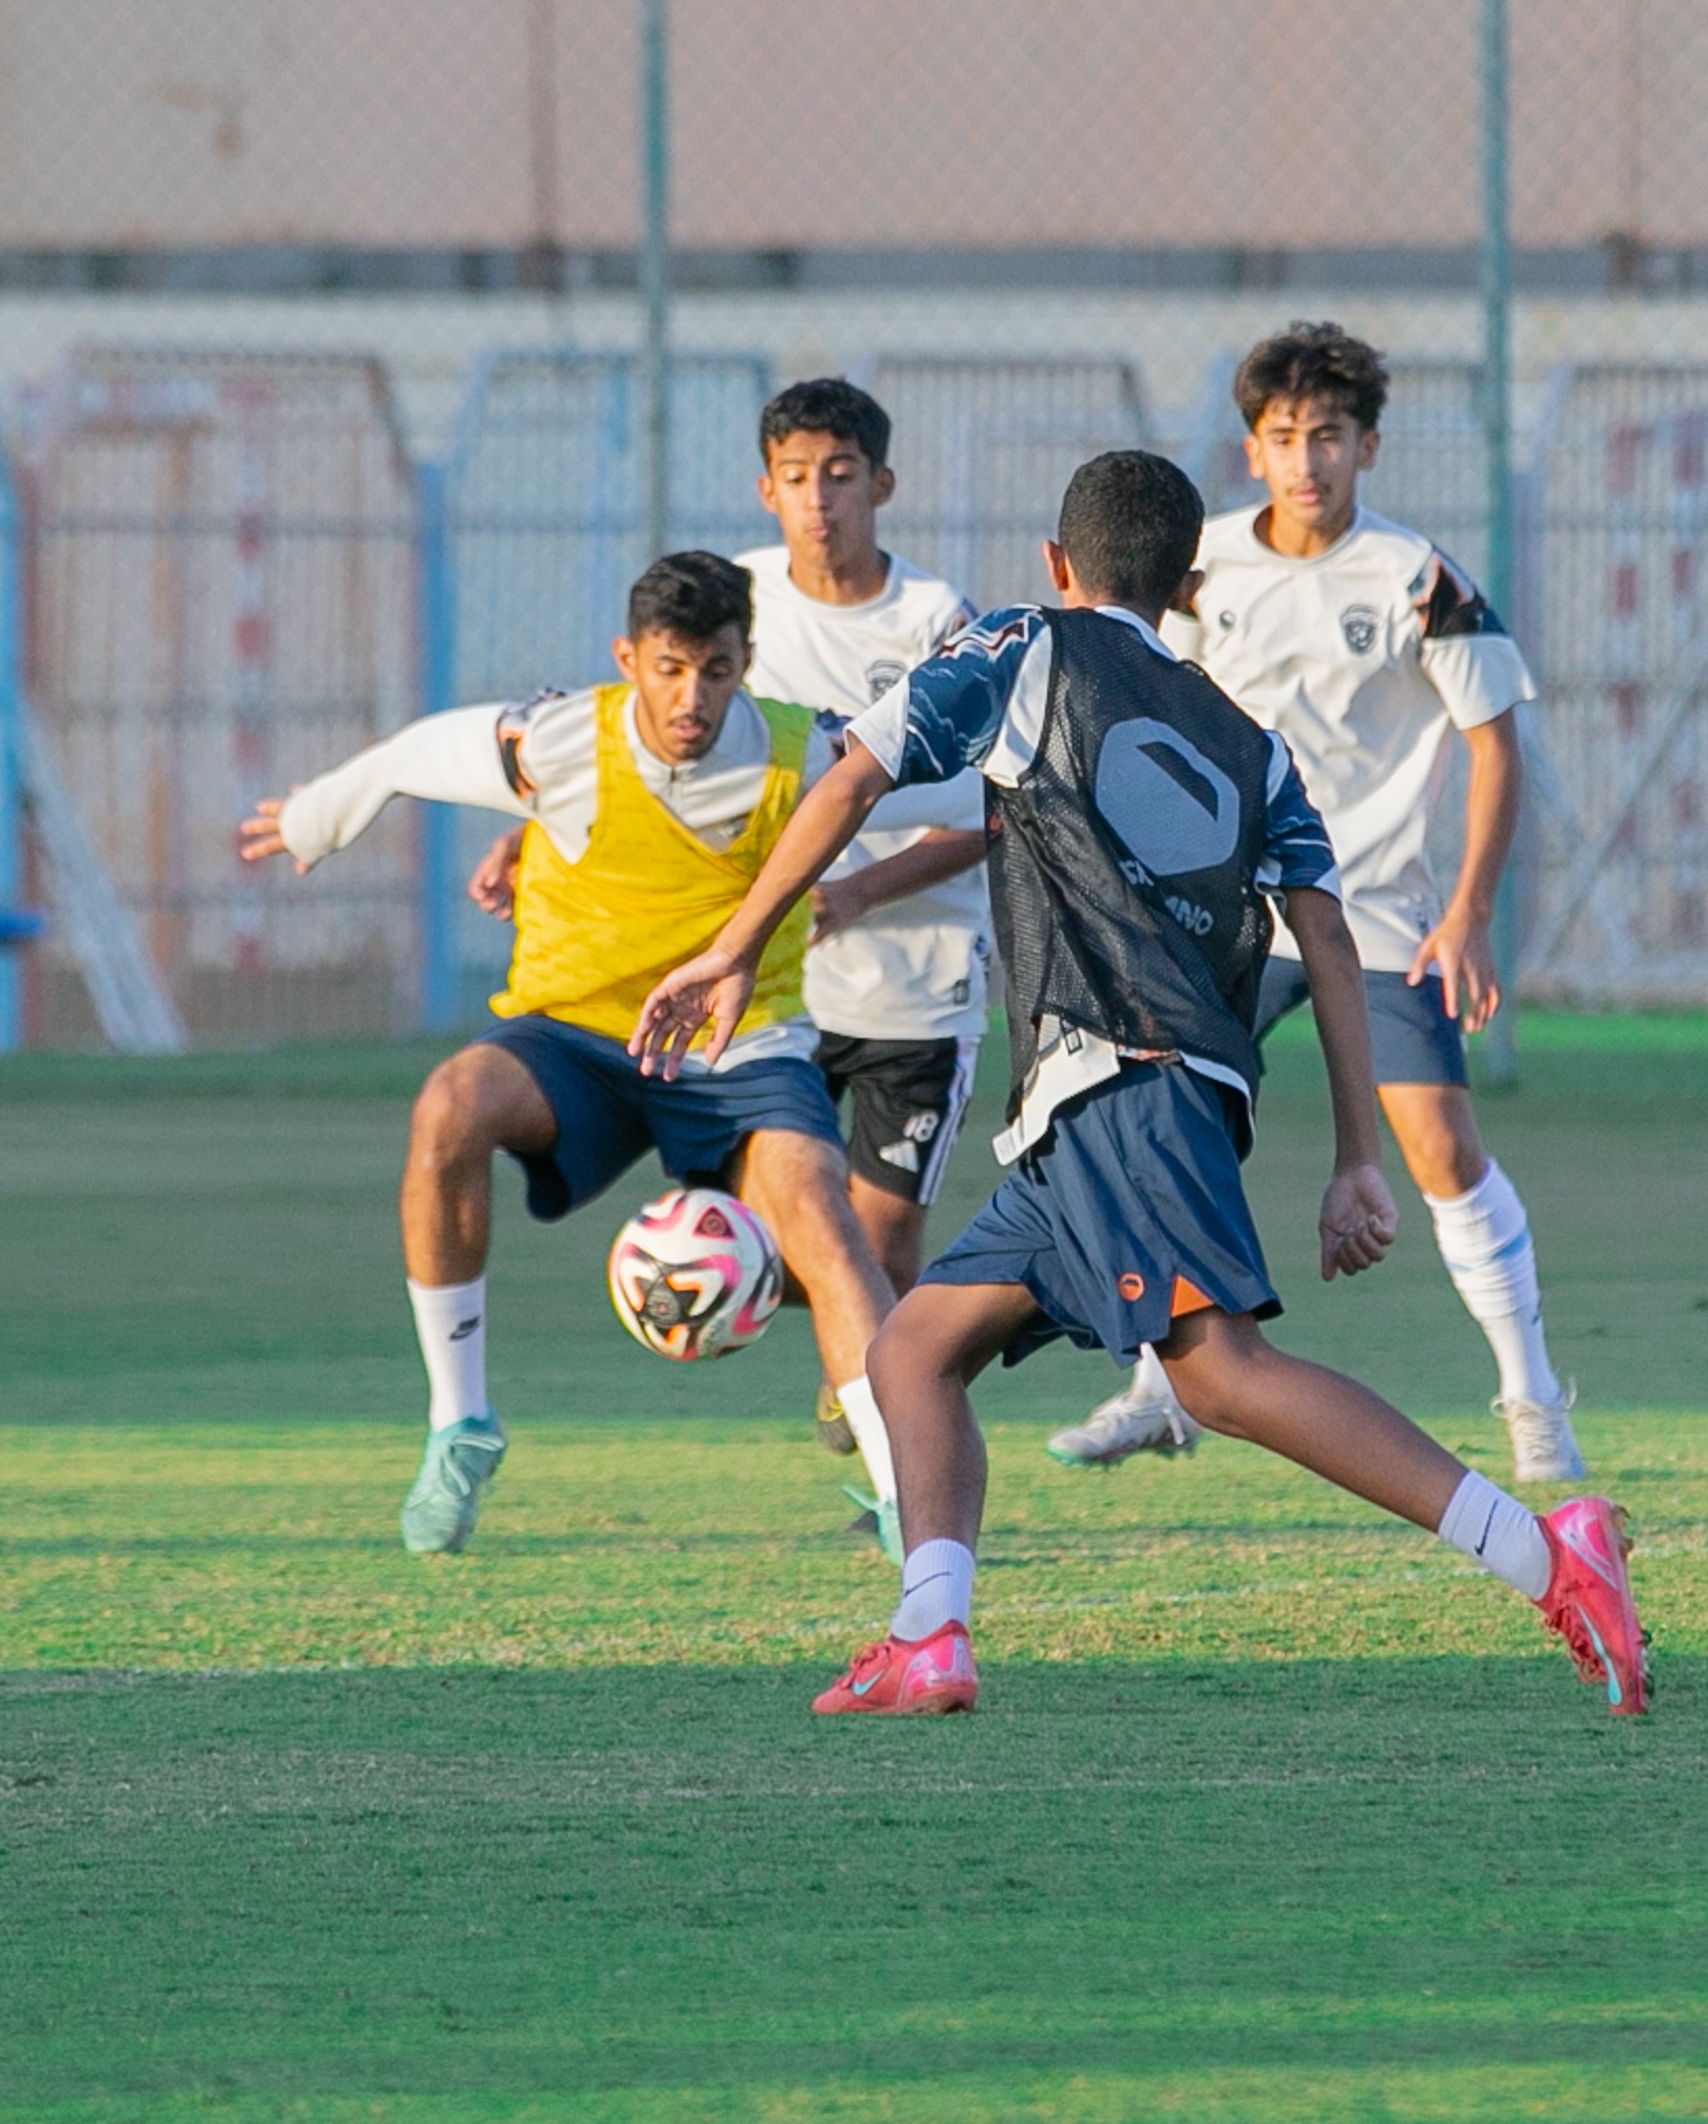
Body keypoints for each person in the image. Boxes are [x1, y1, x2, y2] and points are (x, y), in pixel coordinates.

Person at [630, 451, 1648, 1721]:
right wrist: (1354, 1158)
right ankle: (927, 1636)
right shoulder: (1253, 744)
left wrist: (731, 946)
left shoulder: (1019, 647)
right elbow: (1326, 940)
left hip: (1121, 1079)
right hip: (1137, 1099)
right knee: (912, 1350)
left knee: (1220, 1373)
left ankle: (1548, 1553)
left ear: (1059, 566)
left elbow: (855, 773)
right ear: (1191, 586)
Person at [239, 549, 916, 1560]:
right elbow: (412, 754)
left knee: (822, 1217)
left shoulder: (803, 753)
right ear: (628, 658)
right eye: (670, 668)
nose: (693, 697)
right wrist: (317, 817)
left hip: (741, 1045)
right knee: (449, 1108)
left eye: (717, 671)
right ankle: (459, 1426)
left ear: (747, 661)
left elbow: (961, 799)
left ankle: (908, 1485)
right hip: (577, 1034)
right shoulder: (555, 740)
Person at [1051, 323, 1582, 1486]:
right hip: (1220, 914)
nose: (1307, 461)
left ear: (1368, 445)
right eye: (1286, 437)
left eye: (1329, 436)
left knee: (1438, 1146)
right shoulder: (1202, 569)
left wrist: (1473, 913)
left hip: (1375, 908)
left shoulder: (1417, 580)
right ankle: (1160, 1386)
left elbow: (1496, 744)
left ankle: (1532, 1396)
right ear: (1253, 449)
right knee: (1169, 1132)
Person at [468, 377, 991, 1458]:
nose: (819, 501)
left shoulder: (938, 621)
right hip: (750, 998)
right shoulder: (733, 605)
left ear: (880, 485)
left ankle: (865, 1398)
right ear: (766, 490)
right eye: (798, 478)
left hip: (911, 979)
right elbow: (625, 738)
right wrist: (534, 828)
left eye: (840, 476)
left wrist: (846, 890)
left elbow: (990, 809)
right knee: (801, 1229)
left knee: (877, 1248)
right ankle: (861, 1389)